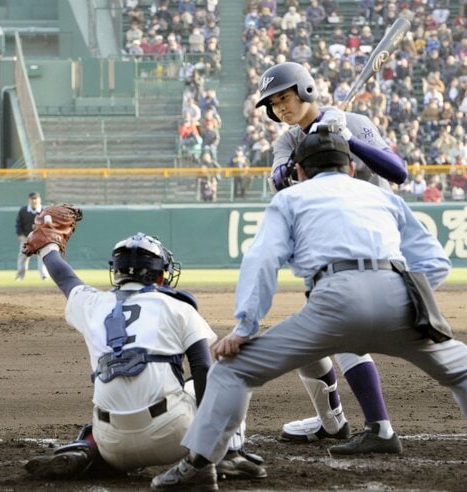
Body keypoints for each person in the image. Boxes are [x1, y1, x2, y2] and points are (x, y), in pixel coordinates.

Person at [151, 128, 467, 490]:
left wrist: (245, 327)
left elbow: (263, 259)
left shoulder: (291, 199)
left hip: (333, 301)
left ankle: (200, 465)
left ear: (299, 170)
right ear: (350, 168)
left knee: (233, 371)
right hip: (398, 295)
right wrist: (411, 298)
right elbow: (436, 262)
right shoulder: (382, 196)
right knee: (460, 370)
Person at [254, 61, 410, 452]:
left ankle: (380, 430)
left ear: (305, 91)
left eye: (283, 98)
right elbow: (279, 182)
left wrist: (347, 140)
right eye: (272, 104)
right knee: (309, 338)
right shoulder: (288, 141)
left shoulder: (354, 122)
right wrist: (311, 147)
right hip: (328, 247)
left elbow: (398, 173)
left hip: (372, 242)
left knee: (342, 330)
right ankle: (333, 422)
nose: (279, 108)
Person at [23, 232, 266, 483]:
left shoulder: (92, 304)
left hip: (112, 443)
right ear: (160, 274)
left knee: (113, 408)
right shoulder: (178, 307)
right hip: (174, 436)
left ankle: (89, 449)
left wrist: (47, 247)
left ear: (116, 273)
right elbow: (204, 368)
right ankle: (230, 454)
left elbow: (64, 276)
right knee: (229, 367)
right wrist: (206, 443)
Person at [14, 192, 48, 281]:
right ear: (29, 200)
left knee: (43, 257)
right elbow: (18, 224)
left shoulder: (44, 210)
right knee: (23, 257)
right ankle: (20, 276)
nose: (34, 200)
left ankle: (44, 275)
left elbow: (48, 226)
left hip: (41, 239)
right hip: (26, 238)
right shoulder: (23, 210)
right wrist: (21, 236)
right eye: (32, 199)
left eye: (36, 198)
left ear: (39, 199)